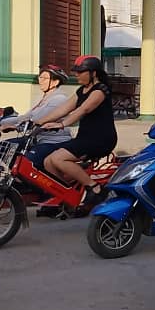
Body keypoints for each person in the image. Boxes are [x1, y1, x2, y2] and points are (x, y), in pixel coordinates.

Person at [34, 56, 117, 206]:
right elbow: (64, 108)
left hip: (100, 139)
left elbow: (84, 109)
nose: (76, 75)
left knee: (59, 159)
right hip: (84, 137)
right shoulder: (81, 90)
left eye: (80, 72)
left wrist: (62, 125)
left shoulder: (100, 90)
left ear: (93, 73)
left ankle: (95, 188)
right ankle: (68, 195)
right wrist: (38, 121)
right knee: (48, 162)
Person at [0, 65, 73, 162]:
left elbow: (37, 119)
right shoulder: (43, 99)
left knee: (28, 162)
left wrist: (16, 126)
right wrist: (1, 121)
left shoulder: (59, 99)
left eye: (45, 78)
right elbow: (26, 117)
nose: (40, 81)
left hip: (53, 141)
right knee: (2, 147)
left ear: (55, 82)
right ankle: (19, 175)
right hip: (37, 138)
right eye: (40, 77)